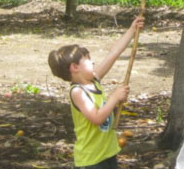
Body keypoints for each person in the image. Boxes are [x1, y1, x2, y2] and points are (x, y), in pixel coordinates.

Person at [48, 16, 145, 169]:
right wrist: (114, 98)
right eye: (87, 59)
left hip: (107, 153)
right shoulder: (78, 92)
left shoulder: (94, 80)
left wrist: (132, 30)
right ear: (75, 67)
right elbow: (97, 118)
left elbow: (113, 54)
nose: (92, 62)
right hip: (91, 160)